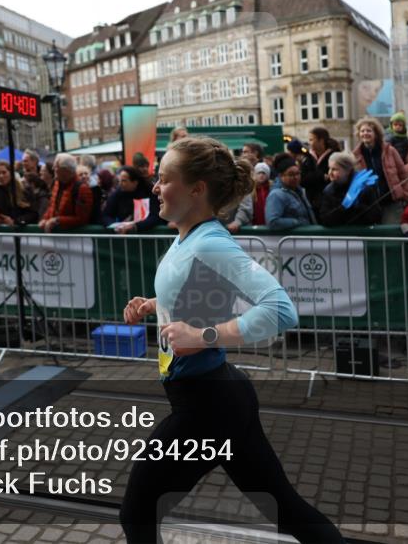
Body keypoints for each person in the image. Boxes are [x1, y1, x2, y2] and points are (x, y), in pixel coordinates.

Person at [119, 136, 344, 544]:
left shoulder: (211, 242)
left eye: (164, 179)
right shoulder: (187, 236)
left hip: (205, 406)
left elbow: (281, 309)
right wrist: (155, 305)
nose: (155, 188)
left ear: (196, 189)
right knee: (285, 508)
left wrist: (204, 336)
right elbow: (193, 292)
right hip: (221, 398)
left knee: (136, 514)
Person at [352, 117, 408, 224]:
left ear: (376, 133)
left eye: (369, 131)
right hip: (368, 205)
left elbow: (403, 173)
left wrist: (406, 194)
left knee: (390, 231)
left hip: (391, 202)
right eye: (362, 131)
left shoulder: (390, 151)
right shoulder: (354, 156)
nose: (365, 133)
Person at [318, 151, 382, 227]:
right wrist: (343, 206)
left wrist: (357, 206)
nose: (330, 173)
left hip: (361, 232)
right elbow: (325, 220)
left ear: (347, 171)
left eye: (335, 169)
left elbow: (376, 215)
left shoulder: (362, 188)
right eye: (329, 168)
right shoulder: (328, 191)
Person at [39, 153, 94, 233]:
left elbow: (82, 219)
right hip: (56, 234)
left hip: (73, 236)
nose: (53, 168)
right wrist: (45, 219)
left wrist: (57, 220)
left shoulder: (82, 189)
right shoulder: (57, 184)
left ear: (66, 170)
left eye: (56, 166)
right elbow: (52, 206)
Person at [102, 166, 163, 234]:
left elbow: (155, 216)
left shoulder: (150, 193)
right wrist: (116, 226)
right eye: (119, 181)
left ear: (135, 182)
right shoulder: (117, 194)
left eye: (124, 181)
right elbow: (106, 215)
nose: (120, 184)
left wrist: (135, 226)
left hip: (147, 234)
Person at [265, 154, 316, 230]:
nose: (296, 177)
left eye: (298, 173)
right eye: (291, 174)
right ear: (281, 176)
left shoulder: (300, 191)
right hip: (292, 237)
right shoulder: (276, 195)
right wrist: (298, 222)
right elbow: (273, 222)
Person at [0, 160, 39, 227]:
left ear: (10, 173)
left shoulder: (24, 189)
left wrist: (15, 221)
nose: (1, 176)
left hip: (21, 230)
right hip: (0, 231)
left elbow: (33, 214)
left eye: (4, 172)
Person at [300, 126, 340, 212]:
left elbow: (337, 178)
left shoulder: (335, 156)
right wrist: (321, 176)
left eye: (311, 140)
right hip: (312, 202)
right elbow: (302, 180)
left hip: (331, 201)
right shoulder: (307, 158)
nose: (309, 142)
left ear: (321, 140)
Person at [21, 149, 51, 218]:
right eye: (23, 161)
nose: (23, 163)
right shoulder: (22, 178)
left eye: (25, 161)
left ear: (34, 161)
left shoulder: (44, 175)